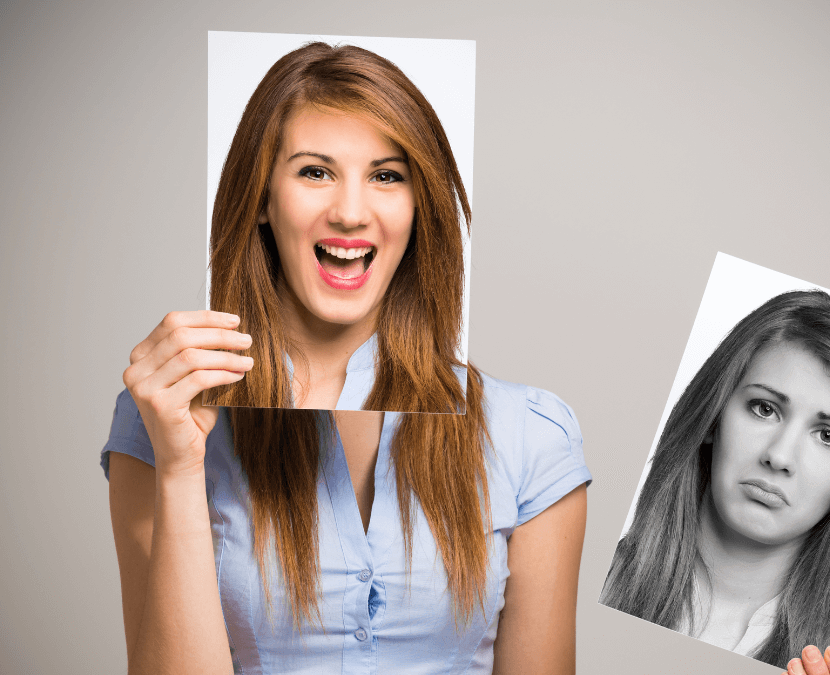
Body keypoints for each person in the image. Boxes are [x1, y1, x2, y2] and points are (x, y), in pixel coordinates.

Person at [103, 42, 590, 675]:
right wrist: (178, 467)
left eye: (387, 176)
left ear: (419, 211)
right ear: (260, 199)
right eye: (314, 172)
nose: (351, 212)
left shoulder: (532, 437)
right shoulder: (157, 418)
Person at [600, 290, 830, 671]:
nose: (779, 457)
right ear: (713, 416)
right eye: (764, 409)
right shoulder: (571, 581)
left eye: (828, 435)